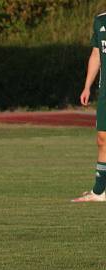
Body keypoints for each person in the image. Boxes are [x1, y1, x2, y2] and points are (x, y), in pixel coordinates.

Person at [74, 11, 106, 202]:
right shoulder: (100, 20)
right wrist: (87, 86)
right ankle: (100, 191)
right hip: (105, 92)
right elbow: (96, 54)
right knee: (102, 139)